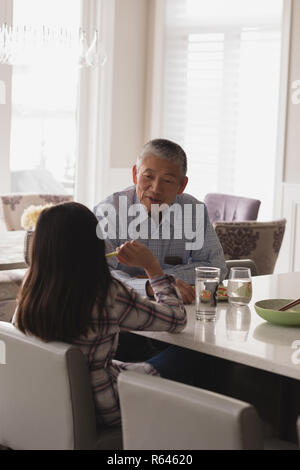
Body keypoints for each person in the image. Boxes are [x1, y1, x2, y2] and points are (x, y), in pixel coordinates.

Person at [12, 202, 202, 427]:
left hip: (51, 403)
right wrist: (152, 267)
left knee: (133, 350)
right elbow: (177, 319)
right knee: (192, 355)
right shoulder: (106, 292)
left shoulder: (32, 286)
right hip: (105, 409)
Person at [94, 138, 227, 304]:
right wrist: (148, 285)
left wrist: (162, 279)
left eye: (168, 181)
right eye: (148, 176)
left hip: (181, 309)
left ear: (182, 185)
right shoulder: (110, 211)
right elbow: (97, 274)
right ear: (135, 175)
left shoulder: (193, 211)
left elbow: (216, 268)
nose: (156, 188)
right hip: (123, 309)